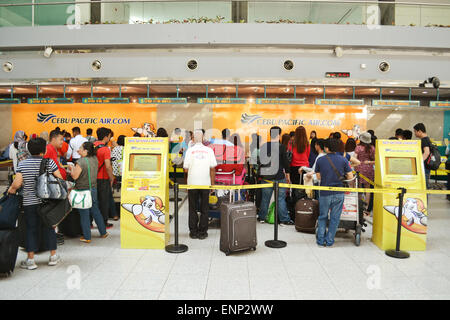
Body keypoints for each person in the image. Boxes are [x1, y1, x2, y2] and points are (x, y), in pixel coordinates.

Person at [8, 138, 63, 270]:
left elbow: (17, 183)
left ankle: (31, 260)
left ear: (28, 150)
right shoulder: (49, 162)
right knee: (49, 227)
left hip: (29, 202)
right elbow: (60, 178)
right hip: (47, 203)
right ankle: (53, 257)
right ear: (44, 151)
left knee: (30, 229)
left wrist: (10, 191)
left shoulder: (22, 164)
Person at [314, 138, 353, 247]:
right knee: (335, 218)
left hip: (325, 192)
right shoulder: (343, 160)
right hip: (339, 192)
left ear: (326, 148)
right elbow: (350, 176)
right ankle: (330, 240)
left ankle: (321, 240)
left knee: (323, 216)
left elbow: (318, 176)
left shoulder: (320, 160)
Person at [69, 142, 109, 243]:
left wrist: (71, 169)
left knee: (84, 214)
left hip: (83, 190)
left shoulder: (81, 162)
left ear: (86, 151)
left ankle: (87, 237)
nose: (78, 150)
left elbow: (75, 176)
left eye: (80, 148)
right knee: (95, 210)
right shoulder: (94, 159)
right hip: (93, 189)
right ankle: (103, 232)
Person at [183, 130, 217, 240]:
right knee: (204, 208)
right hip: (205, 184)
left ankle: (193, 232)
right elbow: (212, 168)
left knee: (192, 208)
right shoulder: (209, 150)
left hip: (192, 183)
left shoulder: (189, 151)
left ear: (193, 138)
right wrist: (212, 184)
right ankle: (203, 232)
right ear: (203, 138)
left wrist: (190, 179)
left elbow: (185, 169)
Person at [258, 126, 293, 226]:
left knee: (265, 198)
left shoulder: (264, 146)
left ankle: (262, 218)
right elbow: (286, 163)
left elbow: (261, 161)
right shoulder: (282, 147)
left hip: (266, 177)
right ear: (279, 135)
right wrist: (288, 175)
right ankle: (284, 219)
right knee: (280, 199)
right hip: (279, 176)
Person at [94, 127, 115, 228]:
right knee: (104, 201)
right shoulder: (105, 149)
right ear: (106, 136)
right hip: (103, 178)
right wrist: (112, 177)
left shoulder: (92, 146)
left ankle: (90, 223)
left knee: (93, 200)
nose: (109, 139)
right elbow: (108, 166)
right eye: (109, 137)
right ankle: (103, 223)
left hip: (92, 177)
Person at [355, 132, 375, 215]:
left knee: (359, 188)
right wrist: (369, 162)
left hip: (359, 169)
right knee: (368, 189)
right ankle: (366, 209)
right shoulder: (372, 148)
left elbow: (355, 159)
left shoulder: (358, 148)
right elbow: (375, 160)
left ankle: (359, 207)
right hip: (369, 169)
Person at [290, 126, 310, 199]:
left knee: (294, 187)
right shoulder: (307, 143)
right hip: (305, 168)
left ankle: (294, 204)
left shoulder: (292, 143)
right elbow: (308, 155)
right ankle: (302, 205)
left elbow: (290, 155)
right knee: (304, 187)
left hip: (294, 167)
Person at [413, 123, 432, 189]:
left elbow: (426, 153)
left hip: (424, 167)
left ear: (420, 131)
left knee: (424, 187)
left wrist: (419, 163)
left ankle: (425, 199)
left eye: (415, 131)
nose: (414, 133)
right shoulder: (427, 139)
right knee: (425, 186)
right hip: (427, 166)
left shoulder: (424, 140)